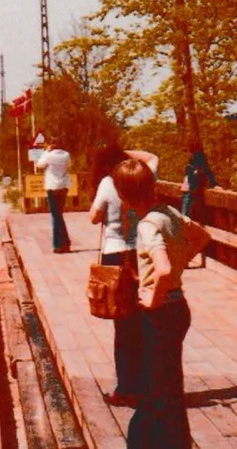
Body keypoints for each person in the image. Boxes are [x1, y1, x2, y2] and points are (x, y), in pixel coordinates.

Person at [112, 159, 193, 449]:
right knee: (169, 384)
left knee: (154, 388)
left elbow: (163, 269)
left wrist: (152, 298)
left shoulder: (146, 227)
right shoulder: (170, 213)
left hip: (161, 312)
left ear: (122, 196)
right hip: (179, 306)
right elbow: (200, 236)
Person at [88, 144, 159, 409]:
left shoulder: (108, 183)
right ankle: (145, 386)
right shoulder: (143, 176)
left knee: (123, 325)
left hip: (115, 256)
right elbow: (153, 156)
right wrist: (127, 153)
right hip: (143, 255)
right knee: (144, 321)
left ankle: (125, 388)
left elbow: (94, 217)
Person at [35, 136, 72, 253]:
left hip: (52, 187)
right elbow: (69, 165)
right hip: (63, 186)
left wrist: (46, 151)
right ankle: (65, 243)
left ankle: (59, 245)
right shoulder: (66, 154)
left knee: (56, 216)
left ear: (51, 144)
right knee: (59, 215)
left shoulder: (49, 155)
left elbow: (39, 164)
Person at [179, 143, 218, 223]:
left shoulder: (195, 165)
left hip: (194, 191)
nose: (187, 154)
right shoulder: (191, 165)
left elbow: (207, 172)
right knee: (188, 211)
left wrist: (214, 184)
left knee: (189, 211)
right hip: (191, 191)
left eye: (188, 152)